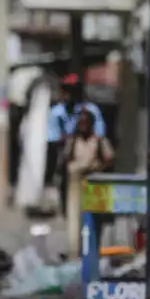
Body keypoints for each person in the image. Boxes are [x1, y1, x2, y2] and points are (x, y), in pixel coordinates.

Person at [46, 74, 105, 217]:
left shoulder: (91, 110)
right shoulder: (56, 113)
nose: (69, 95)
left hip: (89, 151)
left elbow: (99, 134)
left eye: (73, 91)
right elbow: (53, 138)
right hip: (68, 154)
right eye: (66, 91)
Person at [62, 109, 114, 256]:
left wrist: (97, 167)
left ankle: (93, 250)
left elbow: (109, 160)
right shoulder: (73, 141)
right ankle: (75, 252)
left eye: (86, 123)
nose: (83, 126)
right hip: (76, 183)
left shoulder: (98, 141)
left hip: (94, 182)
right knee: (74, 219)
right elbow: (66, 159)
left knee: (95, 220)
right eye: (81, 123)